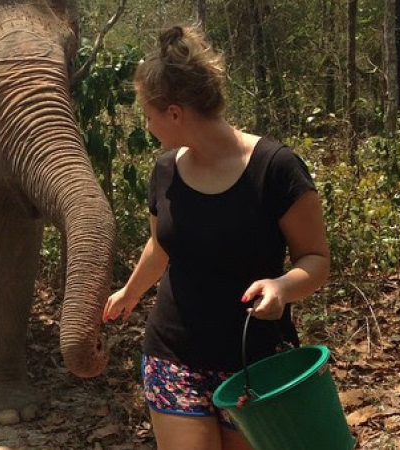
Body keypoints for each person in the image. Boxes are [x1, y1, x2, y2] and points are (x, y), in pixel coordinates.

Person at [103, 25, 330, 450]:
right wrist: (129, 293)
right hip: (173, 355)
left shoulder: (276, 168)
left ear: (174, 113)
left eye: (147, 115)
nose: (146, 125)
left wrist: (283, 286)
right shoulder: (166, 170)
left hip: (253, 361)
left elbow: (315, 259)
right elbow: (160, 245)